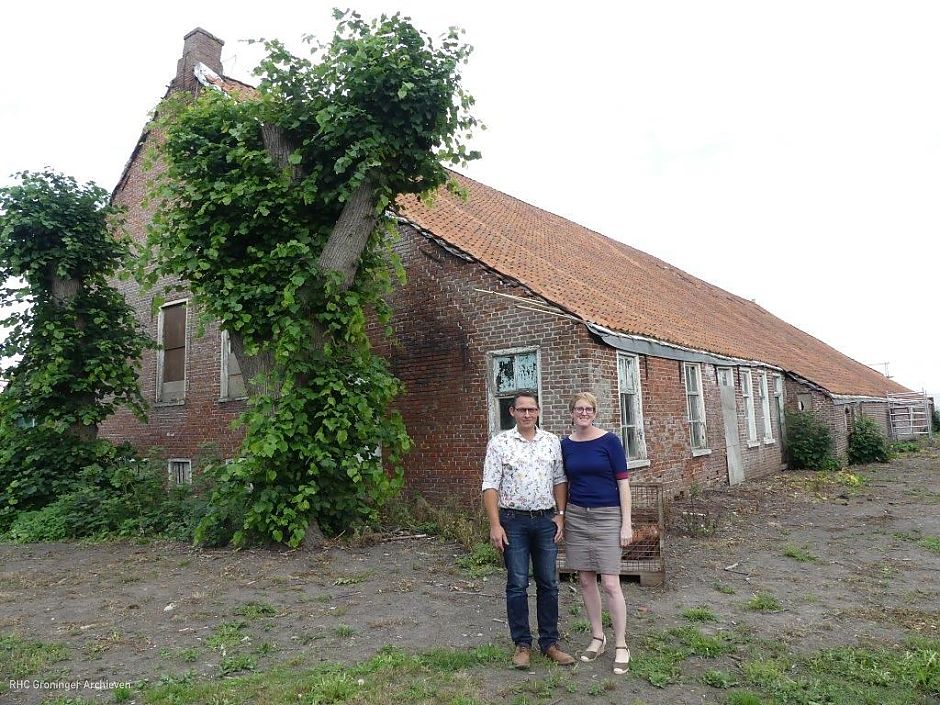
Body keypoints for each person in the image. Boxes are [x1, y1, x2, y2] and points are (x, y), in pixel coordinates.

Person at [482, 390, 575, 669]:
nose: (526, 414)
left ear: (538, 412)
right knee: (517, 584)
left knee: (548, 582)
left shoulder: (551, 443)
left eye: (531, 410)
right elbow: (490, 485)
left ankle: (550, 642)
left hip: (546, 520)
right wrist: (495, 524)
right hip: (513, 521)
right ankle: (522, 644)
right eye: (521, 410)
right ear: (512, 412)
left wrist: (560, 515)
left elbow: (560, 480)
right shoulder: (500, 443)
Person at [560, 391, 632, 675]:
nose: (583, 413)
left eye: (588, 408)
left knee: (611, 583)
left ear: (595, 412)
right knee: (586, 580)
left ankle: (622, 644)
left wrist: (626, 523)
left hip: (607, 516)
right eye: (579, 408)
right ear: (572, 413)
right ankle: (597, 637)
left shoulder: (610, 441)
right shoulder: (565, 445)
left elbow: (623, 484)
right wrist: (562, 516)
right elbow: (563, 481)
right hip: (577, 516)